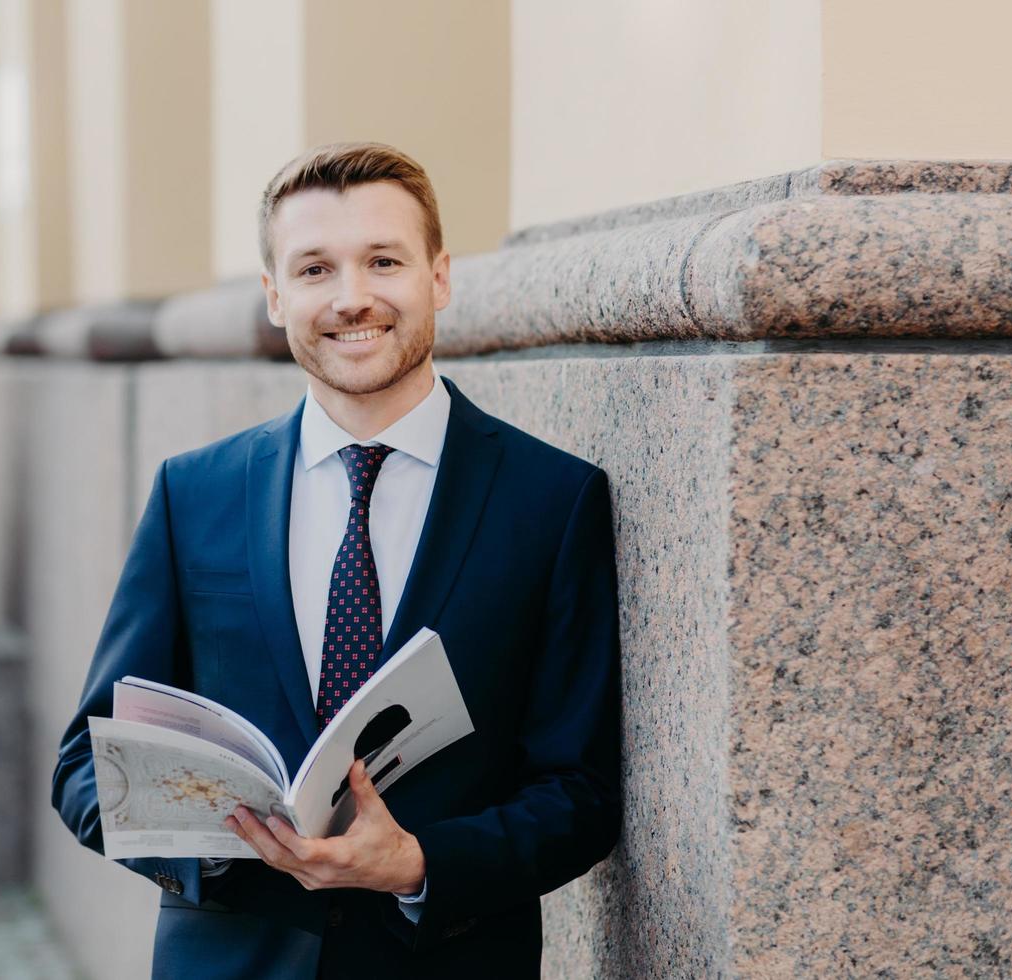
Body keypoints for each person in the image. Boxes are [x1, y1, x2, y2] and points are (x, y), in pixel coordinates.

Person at [52, 141, 622, 979]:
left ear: (439, 277)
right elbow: (86, 766)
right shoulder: (194, 493)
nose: (353, 298)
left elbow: (581, 793)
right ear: (275, 296)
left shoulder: (552, 501)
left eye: (383, 261)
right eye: (315, 270)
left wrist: (421, 862)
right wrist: (214, 847)